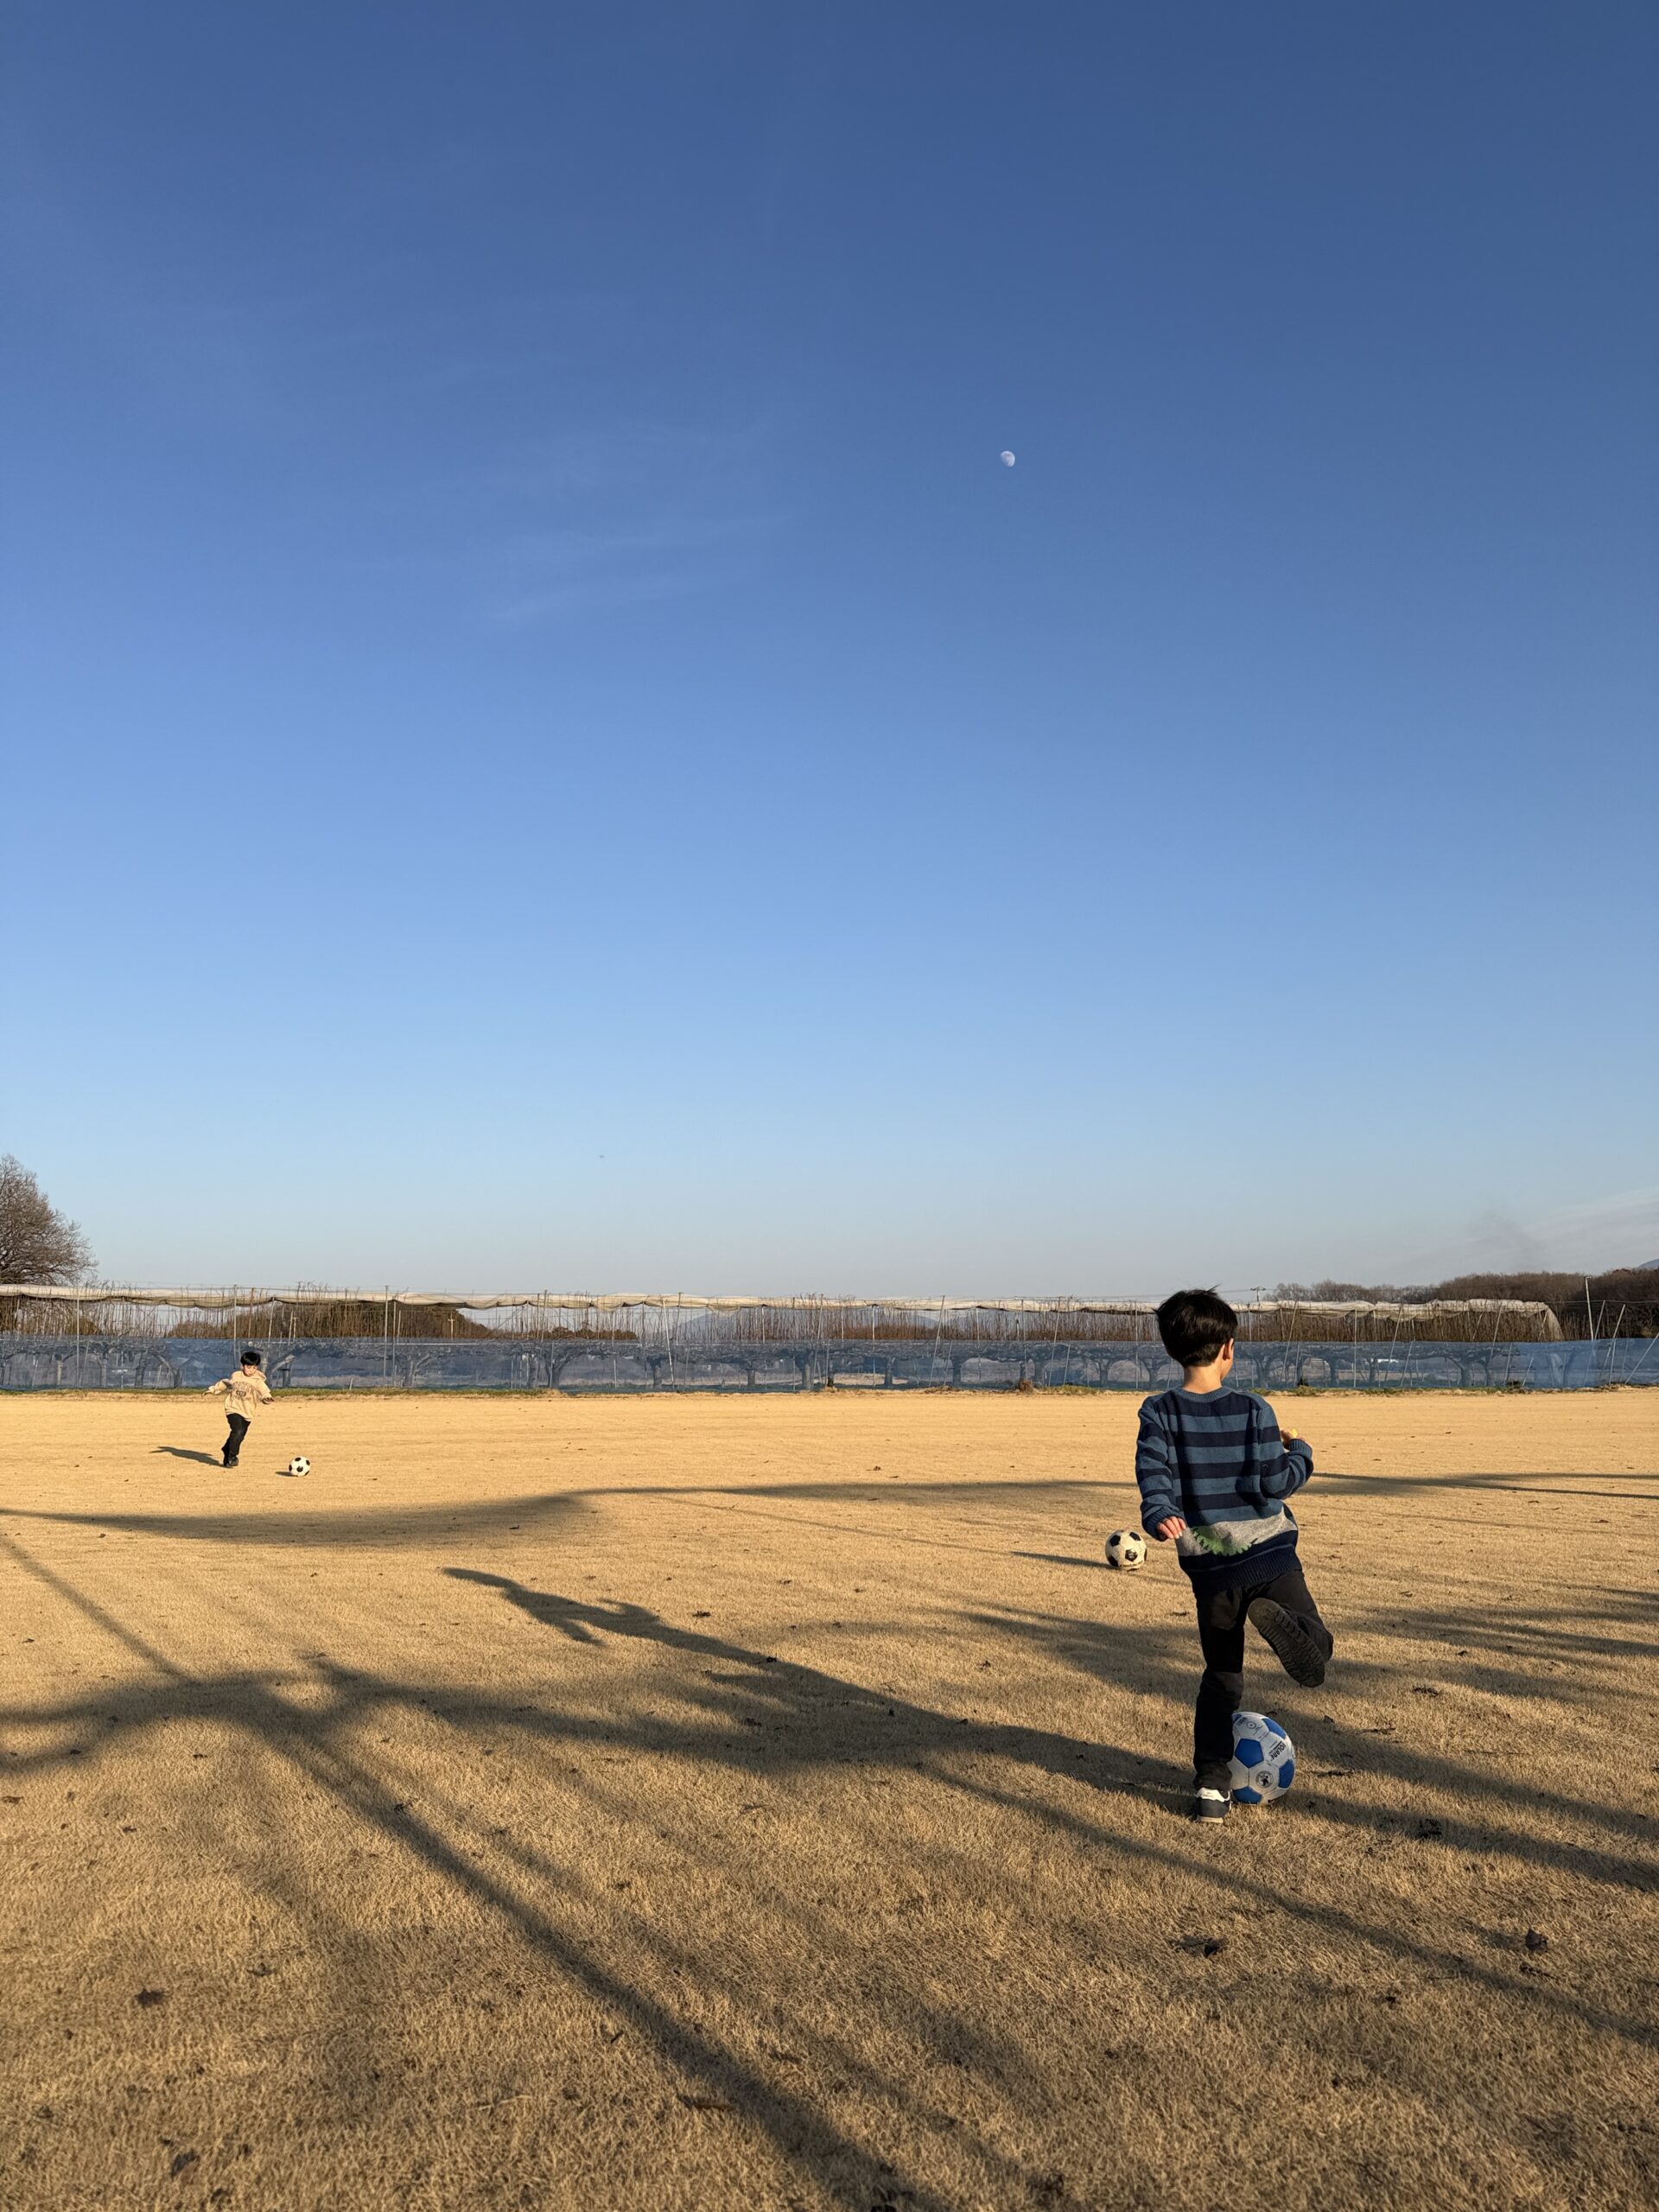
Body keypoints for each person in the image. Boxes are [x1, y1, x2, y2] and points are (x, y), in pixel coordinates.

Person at [1135, 1288, 1333, 1822]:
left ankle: (1211, 1789)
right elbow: (1277, 1482)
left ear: (1173, 1350)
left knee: (1222, 1676)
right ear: (1228, 1348)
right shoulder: (1254, 1408)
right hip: (1268, 1553)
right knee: (1317, 1640)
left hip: (1213, 1567)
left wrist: (1159, 1512)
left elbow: (1154, 1473)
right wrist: (1301, 1452)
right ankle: (1299, 1634)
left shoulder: (1159, 1412)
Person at [207, 1347, 272, 1467]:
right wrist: (213, 1389)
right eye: (249, 1367)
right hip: (233, 1408)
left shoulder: (258, 1380)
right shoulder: (236, 1375)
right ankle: (233, 1456)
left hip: (247, 1411)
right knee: (237, 1431)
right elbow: (226, 1383)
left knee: (240, 1435)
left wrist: (267, 1398)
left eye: (254, 1368)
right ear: (242, 1366)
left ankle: (226, 1450)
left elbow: (264, 1392)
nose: (251, 1370)